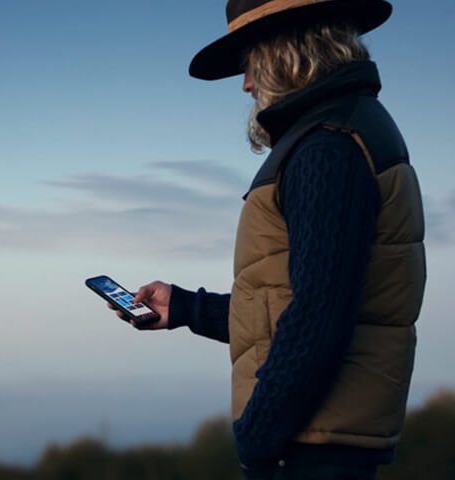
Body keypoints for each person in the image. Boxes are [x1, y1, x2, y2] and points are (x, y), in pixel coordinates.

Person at [109, 1, 426, 479]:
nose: (247, 84)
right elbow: (294, 300)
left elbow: (319, 313)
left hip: (310, 448)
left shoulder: (327, 147)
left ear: (286, 52)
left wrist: (257, 436)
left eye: (250, 63)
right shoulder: (345, 129)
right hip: (323, 442)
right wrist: (187, 308)